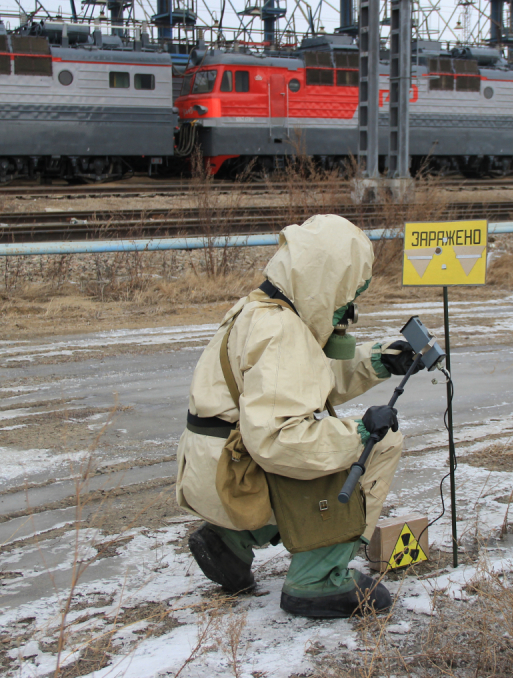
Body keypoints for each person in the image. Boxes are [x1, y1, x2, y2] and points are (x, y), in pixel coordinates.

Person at [176, 214, 418, 618]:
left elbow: (301, 381)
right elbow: (278, 441)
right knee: (381, 442)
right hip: (238, 476)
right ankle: (318, 580)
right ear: (327, 280)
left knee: (323, 443)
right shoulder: (282, 332)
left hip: (214, 473)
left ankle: (230, 543)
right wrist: (359, 434)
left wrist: (378, 362)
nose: (348, 308)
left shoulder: (257, 309)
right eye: (347, 294)